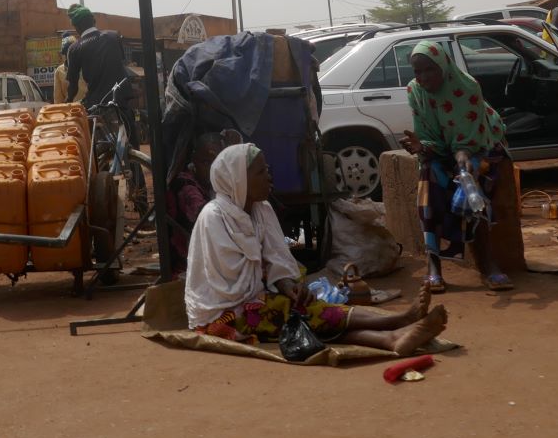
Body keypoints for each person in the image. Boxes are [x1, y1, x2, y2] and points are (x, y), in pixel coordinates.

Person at [184, 143, 447, 355]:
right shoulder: (214, 217)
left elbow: (277, 257)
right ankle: (398, 321)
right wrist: (274, 288)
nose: (269, 176)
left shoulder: (261, 210)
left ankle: (390, 340)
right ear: (238, 179)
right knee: (303, 312)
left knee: (306, 315)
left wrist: (287, 285)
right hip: (222, 315)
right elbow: (230, 284)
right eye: (261, 172)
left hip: (256, 298)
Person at [401, 39, 515, 293]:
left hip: (479, 145)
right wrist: (422, 146)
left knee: (475, 188)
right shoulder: (415, 92)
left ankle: (488, 265)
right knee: (429, 187)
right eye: (417, 72)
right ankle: (434, 266)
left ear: (443, 66)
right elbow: (429, 136)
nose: (422, 78)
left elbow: (470, 140)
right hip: (441, 151)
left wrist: (463, 165)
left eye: (428, 70)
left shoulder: (466, 88)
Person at [167, 131, 226, 273]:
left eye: (216, 162)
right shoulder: (186, 186)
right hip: (189, 265)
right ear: (194, 159)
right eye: (205, 162)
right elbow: (210, 219)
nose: (211, 168)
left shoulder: (209, 182)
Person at [64, 5, 130, 110]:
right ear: (94, 21)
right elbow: (121, 64)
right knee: (129, 123)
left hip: (97, 103)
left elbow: (73, 86)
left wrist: (68, 101)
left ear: (76, 27)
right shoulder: (114, 36)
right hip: (122, 97)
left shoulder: (74, 48)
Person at [52, 34, 87, 104]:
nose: (69, 55)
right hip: (70, 111)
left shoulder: (87, 66)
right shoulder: (59, 71)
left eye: (72, 52)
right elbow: (58, 100)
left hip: (90, 109)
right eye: (66, 53)